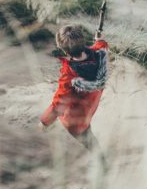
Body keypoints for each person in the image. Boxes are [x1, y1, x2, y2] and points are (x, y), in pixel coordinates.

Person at [39, 25, 108, 156]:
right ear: (83, 41)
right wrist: (100, 40)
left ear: (64, 50)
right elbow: (101, 47)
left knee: (90, 142)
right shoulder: (99, 56)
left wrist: (44, 121)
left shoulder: (69, 75)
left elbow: (59, 104)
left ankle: (102, 165)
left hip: (75, 119)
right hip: (90, 107)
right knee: (89, 134)